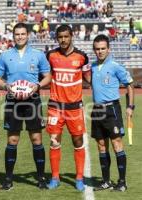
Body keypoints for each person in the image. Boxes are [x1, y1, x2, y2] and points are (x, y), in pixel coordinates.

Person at [0, 22, 52, 190]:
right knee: (12, 140)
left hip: (32, 99)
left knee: (36, 139)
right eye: (16, 34)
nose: (19, 37)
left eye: (22, 34)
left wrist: (38, 86)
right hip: (13, 101)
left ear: (28, 35)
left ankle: (41, 178)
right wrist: (6, 86)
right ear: (13, 36)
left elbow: (48, 76)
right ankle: (8, 179)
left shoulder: (38, 55)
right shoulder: (5, 55)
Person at [46, 24, 90, 191]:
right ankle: (55, 177)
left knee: (77, 141)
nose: (63, 40)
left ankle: (79, 178)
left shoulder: (82, 57)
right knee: (54, 141)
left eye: (66, 36)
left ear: (71, 36)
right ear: (57, 38)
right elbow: (45, 74)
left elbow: (88, 78)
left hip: (74, 107)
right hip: (55, 106)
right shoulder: (50, 55)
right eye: (60, 37)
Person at [91, 34, 134, 192]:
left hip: (112, 109)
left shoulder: (116, 66)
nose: (100, 51)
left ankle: (122, 182)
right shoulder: (93, 66)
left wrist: (131, 106)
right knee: (101, 145)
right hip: (96, 109)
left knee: (117, 144)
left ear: (108, 49)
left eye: (103, 48)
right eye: (97, 49)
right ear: (94, 50)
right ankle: (106, 181)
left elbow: (130, 84)